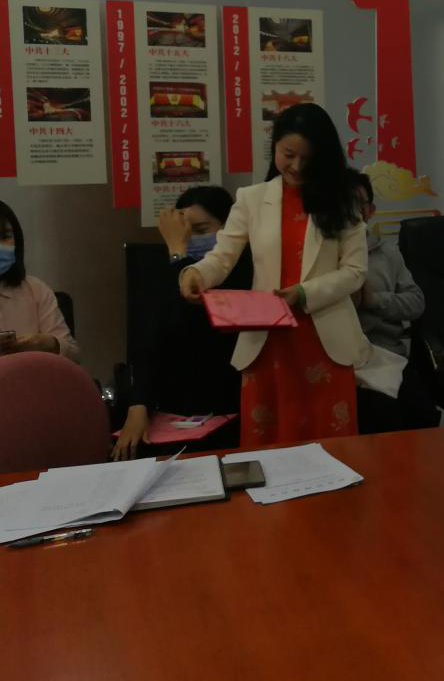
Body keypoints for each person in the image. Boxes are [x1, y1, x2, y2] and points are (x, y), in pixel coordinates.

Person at [180, 103, 371, 446]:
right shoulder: (252, 199)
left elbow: (355, 272)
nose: (296, 166)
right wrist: (196, 273)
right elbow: (222, 256)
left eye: (307, 158)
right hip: (268, 343)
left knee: (332, 449)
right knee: (268, 448)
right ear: (275, 147)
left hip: (324, 341)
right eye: (288, 154)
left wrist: (304, 292)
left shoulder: (342, 201)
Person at [112, 186, 251, 460]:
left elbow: (202, 323)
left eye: (201, 230)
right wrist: (138, 406)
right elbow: (148, 340)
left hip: (225, 404)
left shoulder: (244, 268)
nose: (190, 240)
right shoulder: (163, 270)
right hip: (172, 411)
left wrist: (179, 253)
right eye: (184, 233)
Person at [348, 169, 430, 433]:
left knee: (419, 413)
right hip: (343, 361)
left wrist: (373, 299)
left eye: (357, 202)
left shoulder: (387, 252)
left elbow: (416, 302)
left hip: (386, 355)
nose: (351, 211)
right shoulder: (321, 252)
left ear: (370, 210)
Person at [0, 199, 80, 363]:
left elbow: (74, 358)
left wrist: (50, 344)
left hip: (34, 377)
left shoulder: (36, 290)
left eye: (5, 236)